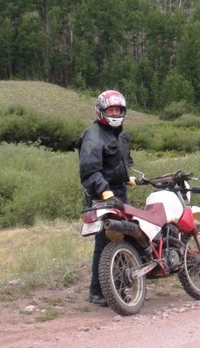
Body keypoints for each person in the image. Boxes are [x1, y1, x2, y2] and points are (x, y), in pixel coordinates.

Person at [78, 89, 136, 307]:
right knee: (104, 241)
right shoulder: (93, 136)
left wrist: (127, 177)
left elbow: (120, 161)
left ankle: (118, 286)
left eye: (118, 109)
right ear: (101, 110)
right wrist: (104, 191)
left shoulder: (120, 134)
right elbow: (90, 171)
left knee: (124, 237)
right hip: (101, 195)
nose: (114, 112)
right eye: (110, 109)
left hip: (118, 191)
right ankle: (98, 292)